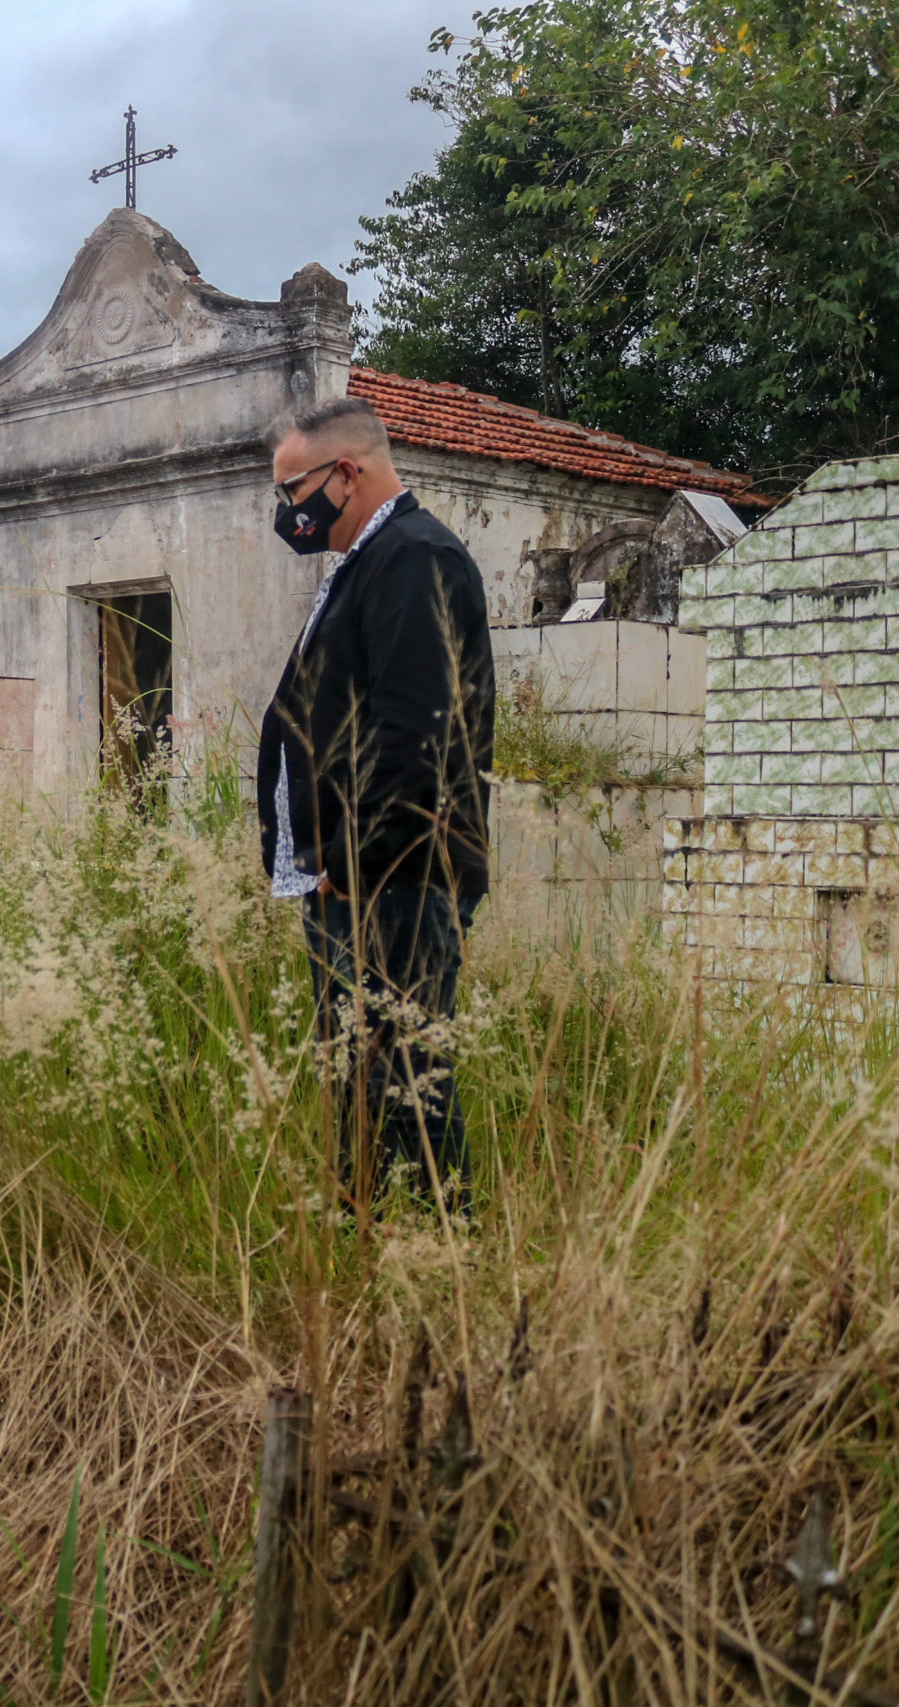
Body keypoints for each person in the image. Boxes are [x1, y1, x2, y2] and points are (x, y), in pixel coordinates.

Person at [254, 397, 494, 1209]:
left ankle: (446, 1268)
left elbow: (415, 736)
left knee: (405, 1084)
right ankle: (381, 1259)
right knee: (366, 1084)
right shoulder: (376, 559)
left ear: (345, 472)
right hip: (369, 881)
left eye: (293, 492)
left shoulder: (414, 558)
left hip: (392, 880)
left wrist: (348, 868)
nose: (289, 512)